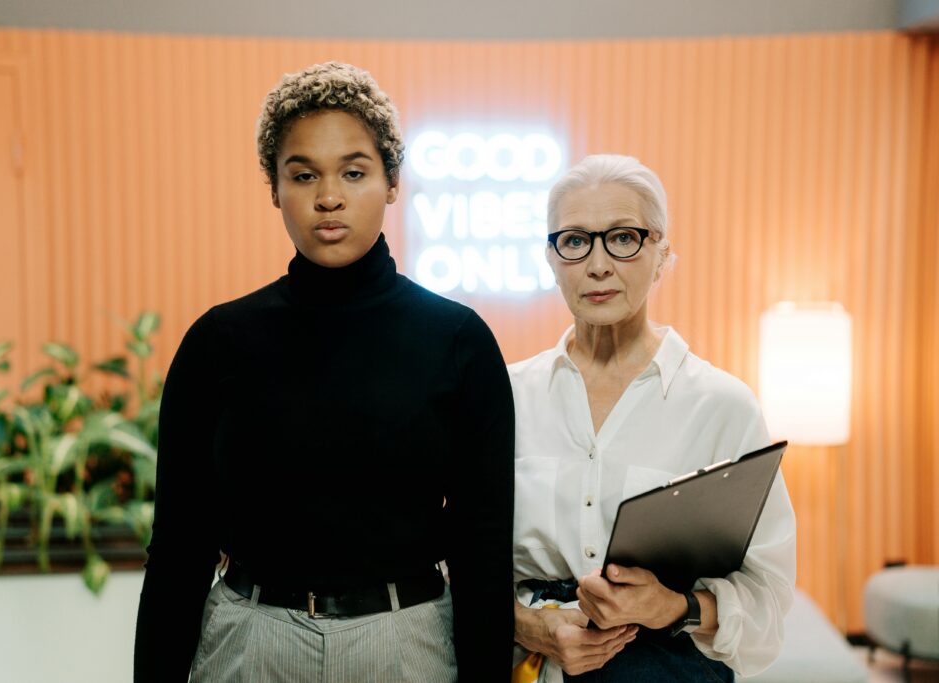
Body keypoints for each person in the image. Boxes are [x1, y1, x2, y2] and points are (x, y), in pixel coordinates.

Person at [133, 62, 515, 683]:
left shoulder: (457, 341)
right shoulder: (218, 342)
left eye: (354, 172)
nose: (328, 196)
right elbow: (179, 544)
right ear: (274, 186)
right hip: (250, 641)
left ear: (392, 182)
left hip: (406, 641)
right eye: (303, 173)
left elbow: (482, 545)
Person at [509, 154, 796, 682]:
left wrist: (673, 607)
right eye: (574, 241)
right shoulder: (507, 396)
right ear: (551, 260)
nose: (598, 265)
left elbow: (768, 601)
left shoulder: (722, 406)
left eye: (623, 238)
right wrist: (529, 625)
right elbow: (453, 565)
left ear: (662, 254)